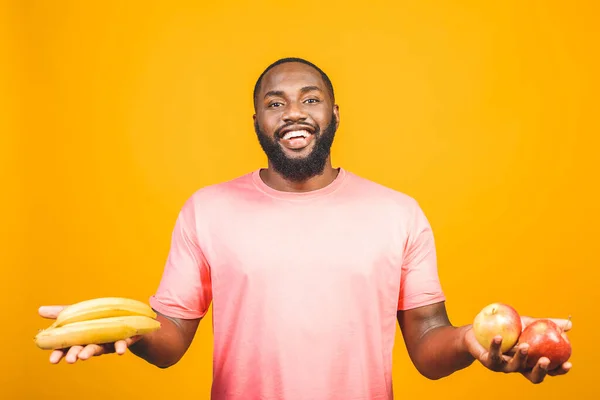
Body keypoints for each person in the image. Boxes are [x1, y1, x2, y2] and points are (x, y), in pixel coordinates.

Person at [39, 57, 573, 399]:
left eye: (310, 99)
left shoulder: (398, 212)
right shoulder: (206, 209)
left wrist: (474, 345)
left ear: (334, 113)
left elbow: (429, 344)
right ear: (256, 122)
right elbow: (172, 338)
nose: (294, 113)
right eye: (275, 104)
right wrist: (124, 334)